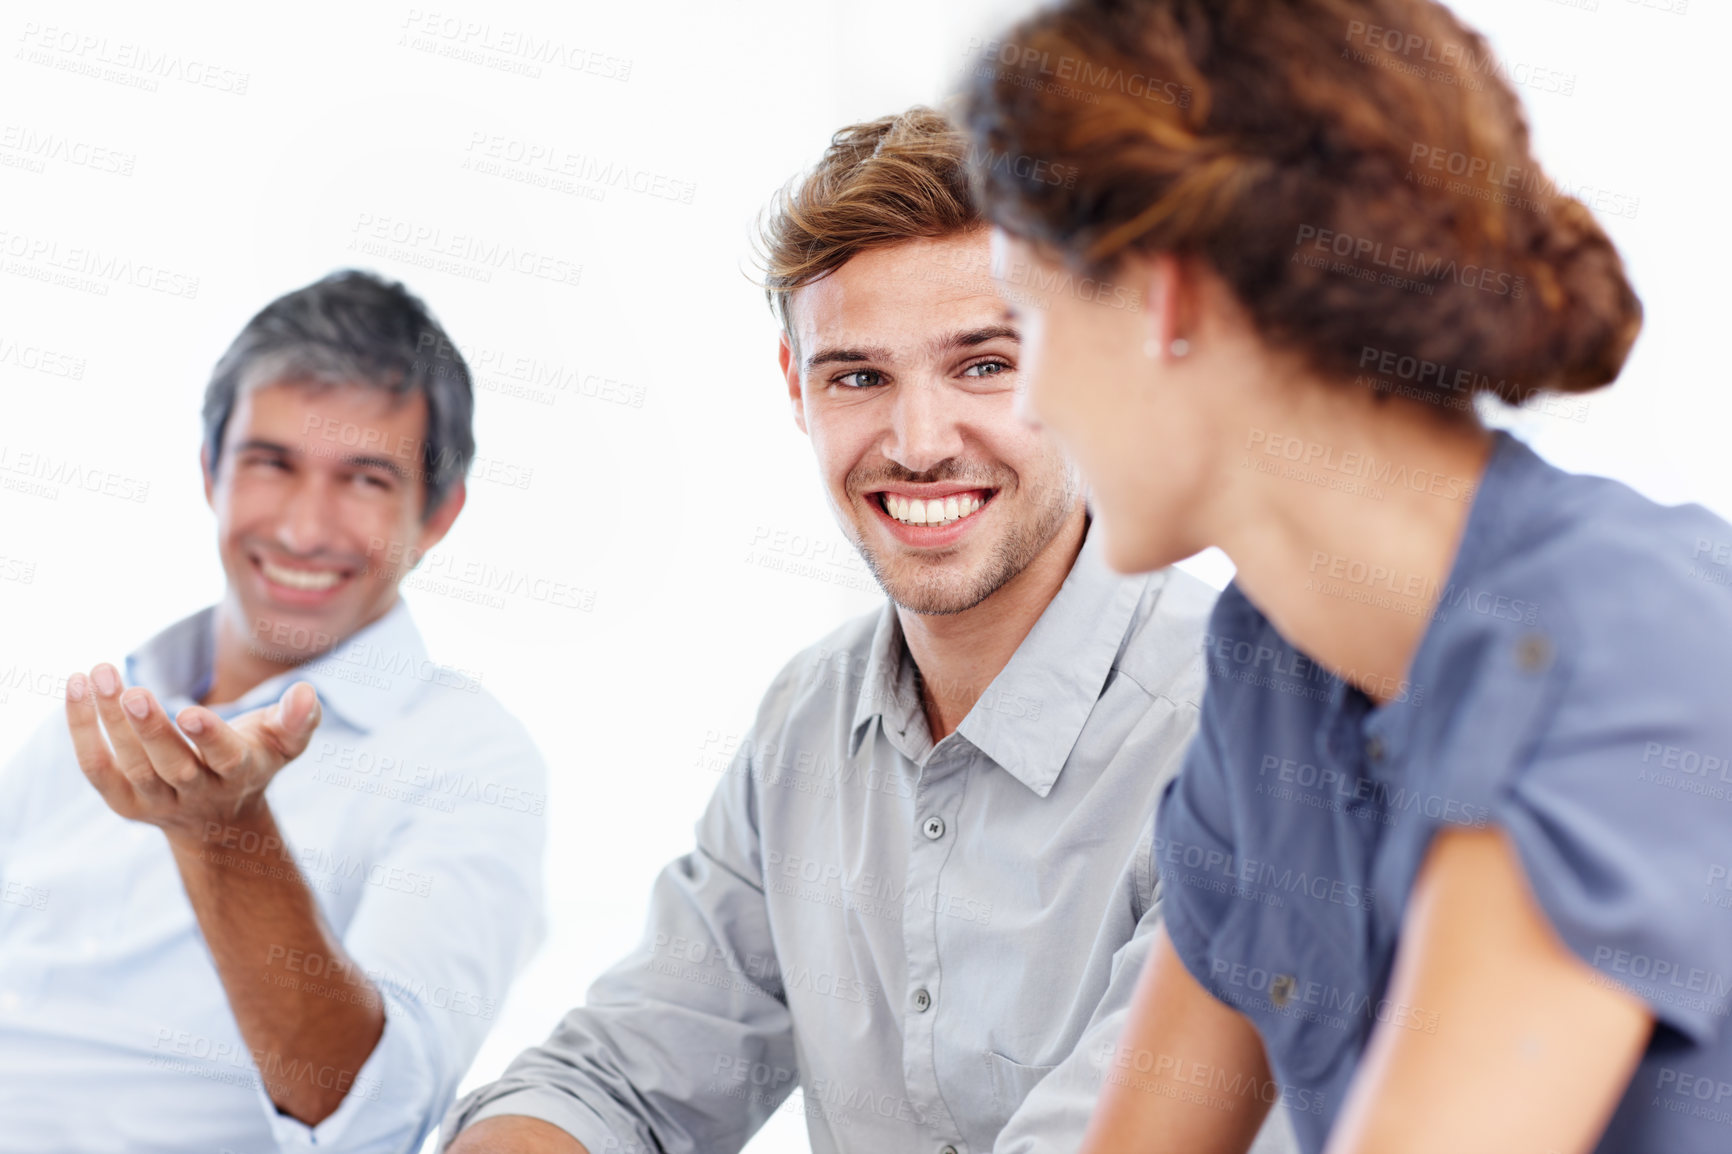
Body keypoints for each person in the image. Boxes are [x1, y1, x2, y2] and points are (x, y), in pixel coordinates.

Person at [440, 108, 1296, 1154]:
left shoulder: (1253, 740)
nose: (919, 442)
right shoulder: (809, 720)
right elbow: (617, 1079)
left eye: (984, 364)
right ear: (797, 391)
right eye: (859, 375)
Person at [959, 1, 1731, 1151]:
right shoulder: (1268, 670)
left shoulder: (1631, 636)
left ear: (1162, 293)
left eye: (1027, 314)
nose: (1031, 403)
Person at [0, 270, 548, 1153]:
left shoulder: (472, 763)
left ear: (438, 514)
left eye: (365, 479)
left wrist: (226, 835)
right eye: (271, 463)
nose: (303, 528)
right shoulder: (102, 710)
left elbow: (375, 1120)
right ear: (211, 469)